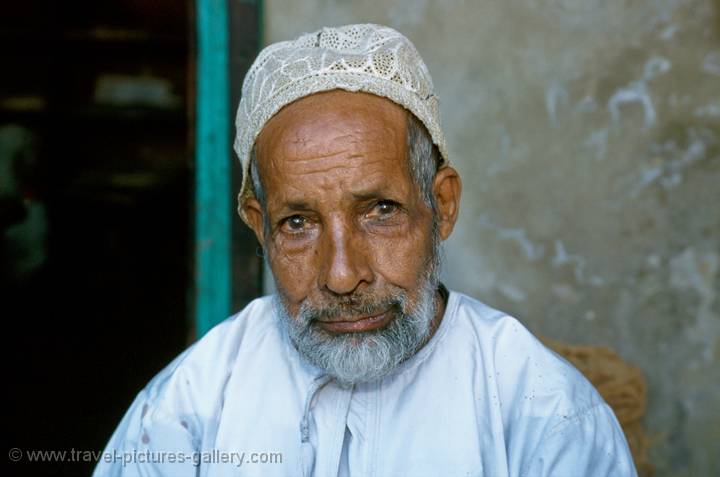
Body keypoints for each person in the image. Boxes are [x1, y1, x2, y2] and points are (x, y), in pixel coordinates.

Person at [94, 24, 637, 477]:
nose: (342, 274)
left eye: (380, 210)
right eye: (299, 223)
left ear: (441, 205)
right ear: (260, 229)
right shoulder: (188, 408)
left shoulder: (545, 416)